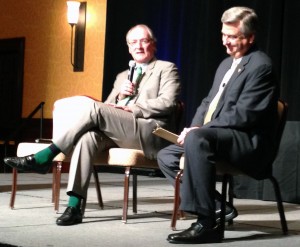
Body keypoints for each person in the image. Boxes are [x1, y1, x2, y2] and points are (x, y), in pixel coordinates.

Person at [4, 24, 181, 226]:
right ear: (128, 47)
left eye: (143, 41)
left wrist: (135, 108)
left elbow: (168, 103)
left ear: (153, 44)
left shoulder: (166, 68)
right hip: (120, 131)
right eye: (133, 42)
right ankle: (74, 206)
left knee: (93, 108)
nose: (138, 46)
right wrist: (121, 95)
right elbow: (107, 108)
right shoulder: (123, 76)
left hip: (149, 131)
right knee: (87, 138)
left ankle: (45, 156)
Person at [157, 6, 278, 244]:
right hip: (216, 137)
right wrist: (190, 128)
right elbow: (207, 103)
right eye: (224, 35)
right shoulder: (225, 64)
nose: (225, 42)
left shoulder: (261, 66)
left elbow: (244, 115)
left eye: (232, 36)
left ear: (250, 37)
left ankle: (206, 223)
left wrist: (199, 132)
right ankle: (218, 207)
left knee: (198, 139)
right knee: (166, 156)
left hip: (247, 141)